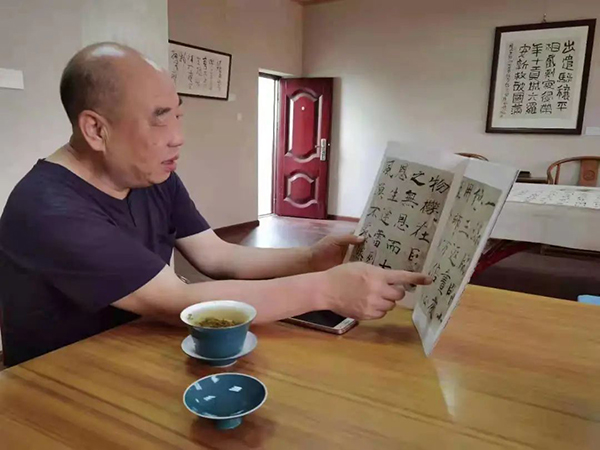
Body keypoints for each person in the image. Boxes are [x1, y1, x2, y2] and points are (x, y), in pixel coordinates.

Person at [0, 43, 430, 367]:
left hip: (138, 352)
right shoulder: (47, 209)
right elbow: (176, 301)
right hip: (63, 382)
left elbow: (218, 256)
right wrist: (326, 288)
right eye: (159, 118)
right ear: (96, 130)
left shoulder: (150, 177)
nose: (178, 136)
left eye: (178, 115)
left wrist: (311, 259)